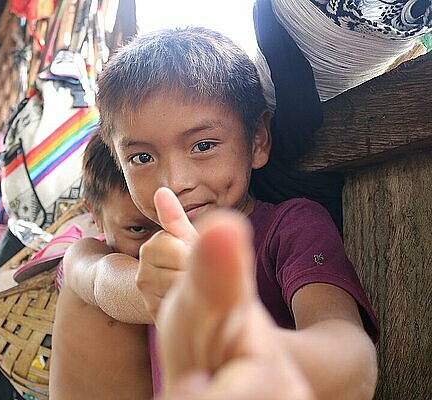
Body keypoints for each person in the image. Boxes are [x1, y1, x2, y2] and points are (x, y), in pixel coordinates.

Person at [92, 27, 379, 399]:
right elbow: (88, 274)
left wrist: (263, 354)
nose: (175, 182)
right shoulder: (148, 254)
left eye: (203, 145)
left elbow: (351, 357)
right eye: (142, 158)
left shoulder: (291, 228)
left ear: (258, 140)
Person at [49, 134, 161, 399]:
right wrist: (178, 294)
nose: (160, 243)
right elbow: (104, 280)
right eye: (137, 229)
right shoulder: (84, 257)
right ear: (95, 215)